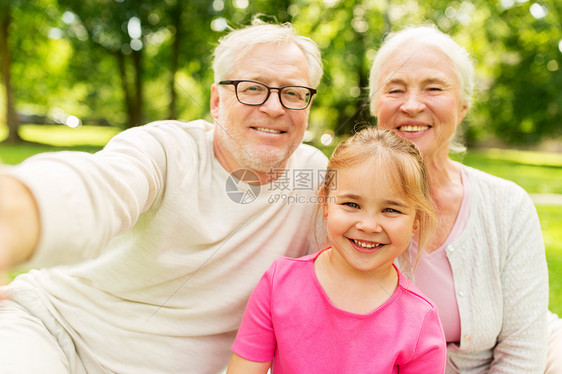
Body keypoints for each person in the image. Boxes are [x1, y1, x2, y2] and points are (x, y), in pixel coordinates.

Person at [0, 20, 328, 374]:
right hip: (51, 330)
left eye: (293, 93)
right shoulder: (165, 150)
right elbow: (96, 190)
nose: (275, 107)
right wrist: (13, 219)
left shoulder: (314, 177)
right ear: (217, 101)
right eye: (252, 88)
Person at [369, 25, 561, 373]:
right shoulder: (344, 207)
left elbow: (523, 351)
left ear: (462, 107)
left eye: (434, 88)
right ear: (375, 107)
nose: (412, 105)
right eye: (395, 89)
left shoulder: (508, 205)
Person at [226, 127, 447, 373]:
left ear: (415, 221)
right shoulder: (279, 283)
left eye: (391, 210)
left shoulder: (420, 321)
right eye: (352, 204)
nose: (368, 225)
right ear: (325, 204)